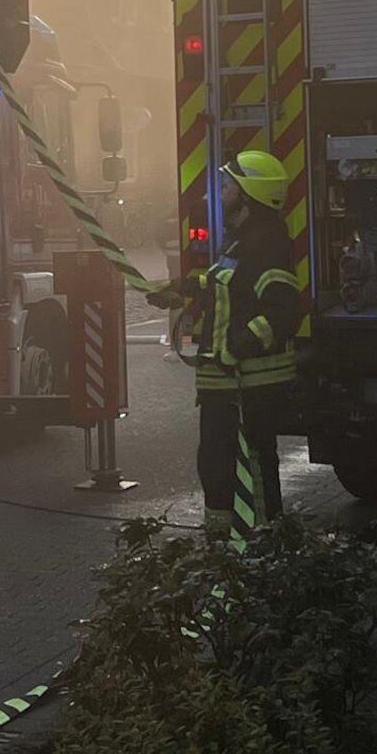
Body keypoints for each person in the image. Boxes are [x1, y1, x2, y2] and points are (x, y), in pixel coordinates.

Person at [152, 151, 300, 540]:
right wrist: (185, 289)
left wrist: (238, 348)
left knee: (250, 466)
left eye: (229, 186)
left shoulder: (267, 245)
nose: (221, 193)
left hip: (245, 386)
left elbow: (283, 312)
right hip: (225, 384)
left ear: (248, 194)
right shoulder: (241, 243)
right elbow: (231, 289)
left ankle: (261, 543)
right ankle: (223, 545)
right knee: (216, 467)